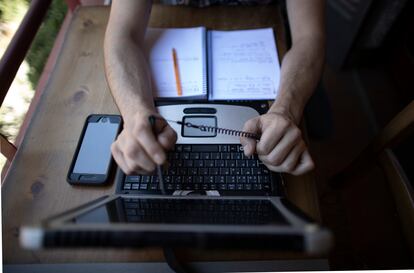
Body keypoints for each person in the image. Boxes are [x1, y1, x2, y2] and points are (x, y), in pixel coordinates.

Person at [104, 0, 325, 176]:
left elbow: (309, 36)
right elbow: (123, 35)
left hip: (265, 21)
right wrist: (134, 114)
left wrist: (285, 110)